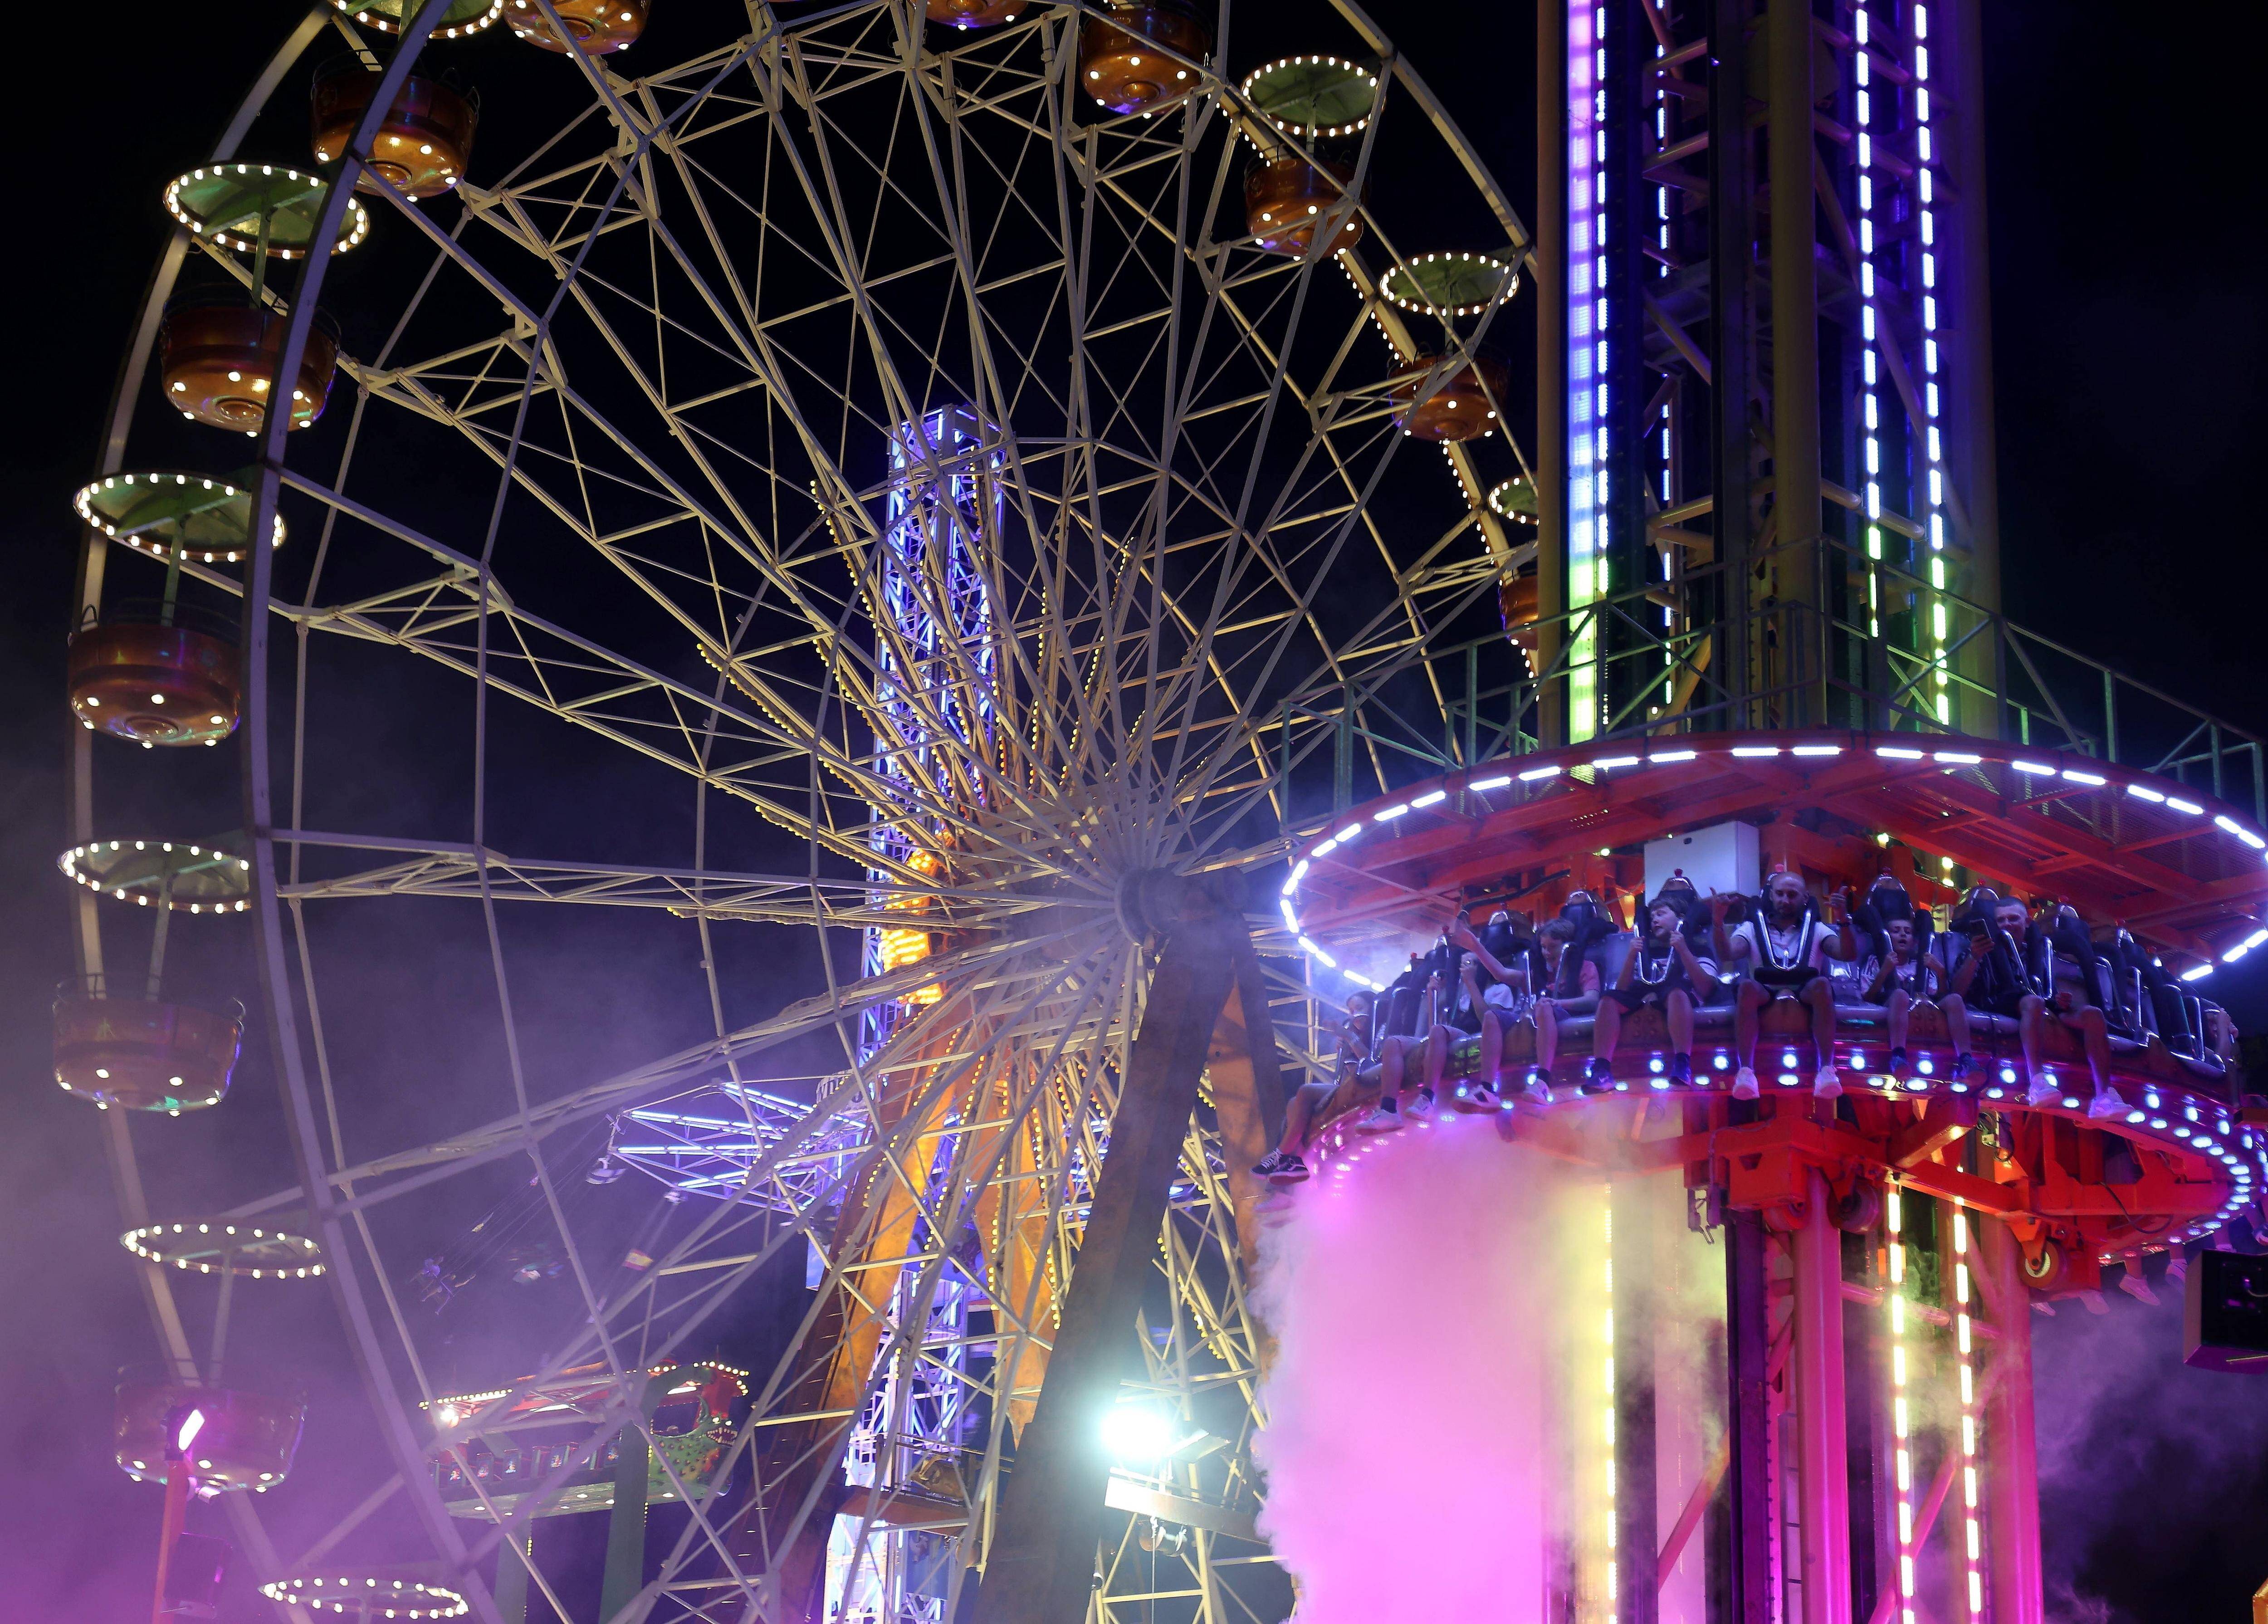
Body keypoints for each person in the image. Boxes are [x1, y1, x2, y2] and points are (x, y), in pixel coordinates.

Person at [1717, 870, 1859, 1101]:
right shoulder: (1753, 927)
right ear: (1771, 896)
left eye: (1792, 895)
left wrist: (1843, 920)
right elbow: (1727, 953)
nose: (1785, 900)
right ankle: (1745, 1072)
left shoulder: (1817, 928)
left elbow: (1847, 954)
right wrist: (1717, 922)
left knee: (1823, 984)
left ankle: (1826, 1070)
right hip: (1766, 990)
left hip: (1805, 989)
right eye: (1780, 894)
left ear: (1805, 899)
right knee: (1745, 988)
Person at [1590, 895, 1719, 1089]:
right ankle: (1601, 1071)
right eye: (1652, 918)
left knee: (1677, 992)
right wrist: (1632, 955)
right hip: (1646, 994)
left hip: (1678, 995)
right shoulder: (1646, 953)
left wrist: (1683, 950)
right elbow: (1622, 990)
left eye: (1661, 914)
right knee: (1608, 999)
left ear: (1680, 918)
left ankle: (1682, 1064)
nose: (1655, 920)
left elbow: (1707, 988)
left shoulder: (1699, 949)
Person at [1254, 992, 1378, 1180]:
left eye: (1359, 1009)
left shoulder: (1379, 1027)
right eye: (1351, 1011)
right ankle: (1294, 1162)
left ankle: (1282, 1155)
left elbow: (1372, 1065)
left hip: (1368, 1083)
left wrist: (1350, 1038)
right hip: (1346, 1085)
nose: (1354, 1015)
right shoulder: (1354, 1036)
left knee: (1305, 1091)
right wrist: (1345, 1047)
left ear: (1372, 1006)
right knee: (1293, 1105)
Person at [1862, 915, 1975, 1076]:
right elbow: (1868, 997)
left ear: (1914, 941)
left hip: (1925, 1004)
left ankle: (1966, 1059)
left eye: (1907, 932)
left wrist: (1941, 972)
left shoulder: (1920, 964)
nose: (1903, 935)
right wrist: (1885, 971)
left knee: (1955, 999)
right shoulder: (1875, 961)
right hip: (1891, 1003)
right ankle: (1899, 1056)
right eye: (1896, 931)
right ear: (1886, 937)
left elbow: (1940, 995)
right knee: (1900, 994)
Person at [1525, 916, 1599, 1103]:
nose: (1547, 953)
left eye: (1553, 947)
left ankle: (1543, 1079)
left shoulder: (1586, 967)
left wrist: (1557, 1004)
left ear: (1568, 946)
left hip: (1573, 1015)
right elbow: (1505, 975)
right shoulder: (1543, 974)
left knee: (1543, 1006)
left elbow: (1592, 1000)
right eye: (1543, 947)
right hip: (1547, 1017)